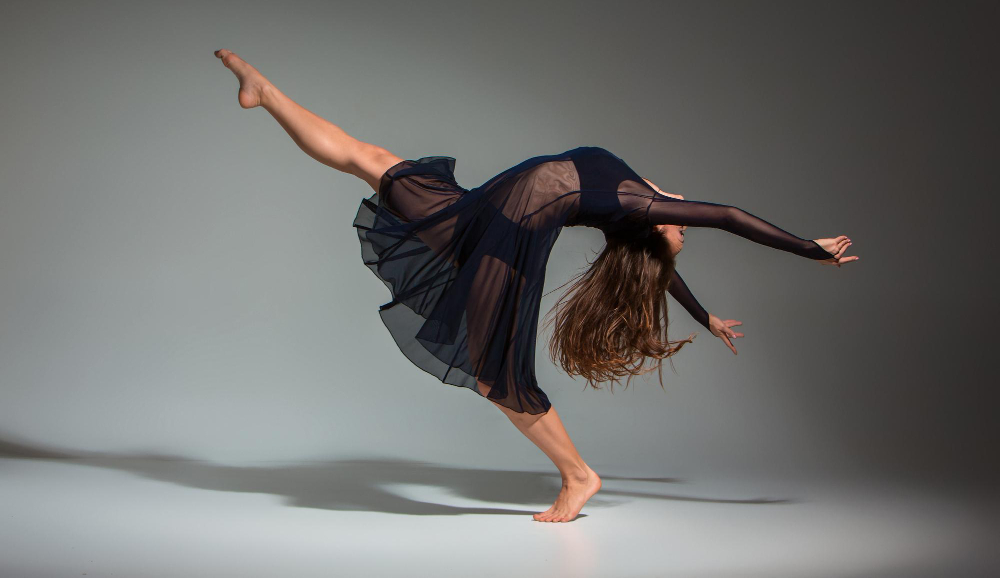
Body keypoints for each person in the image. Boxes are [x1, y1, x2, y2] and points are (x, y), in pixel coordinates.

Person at [213, 49, 858, 523]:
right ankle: (265, 90)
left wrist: (809, 249)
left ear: (657, 228)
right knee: (372, 160)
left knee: (496, 373)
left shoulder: (640, 204)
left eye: (675, 233)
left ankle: (579, 476)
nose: (682, 229)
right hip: (488, 210)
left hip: (510, 233)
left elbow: (726, 217)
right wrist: (707, 315)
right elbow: (666, 265)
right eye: (676, 235)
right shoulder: (640, 201)